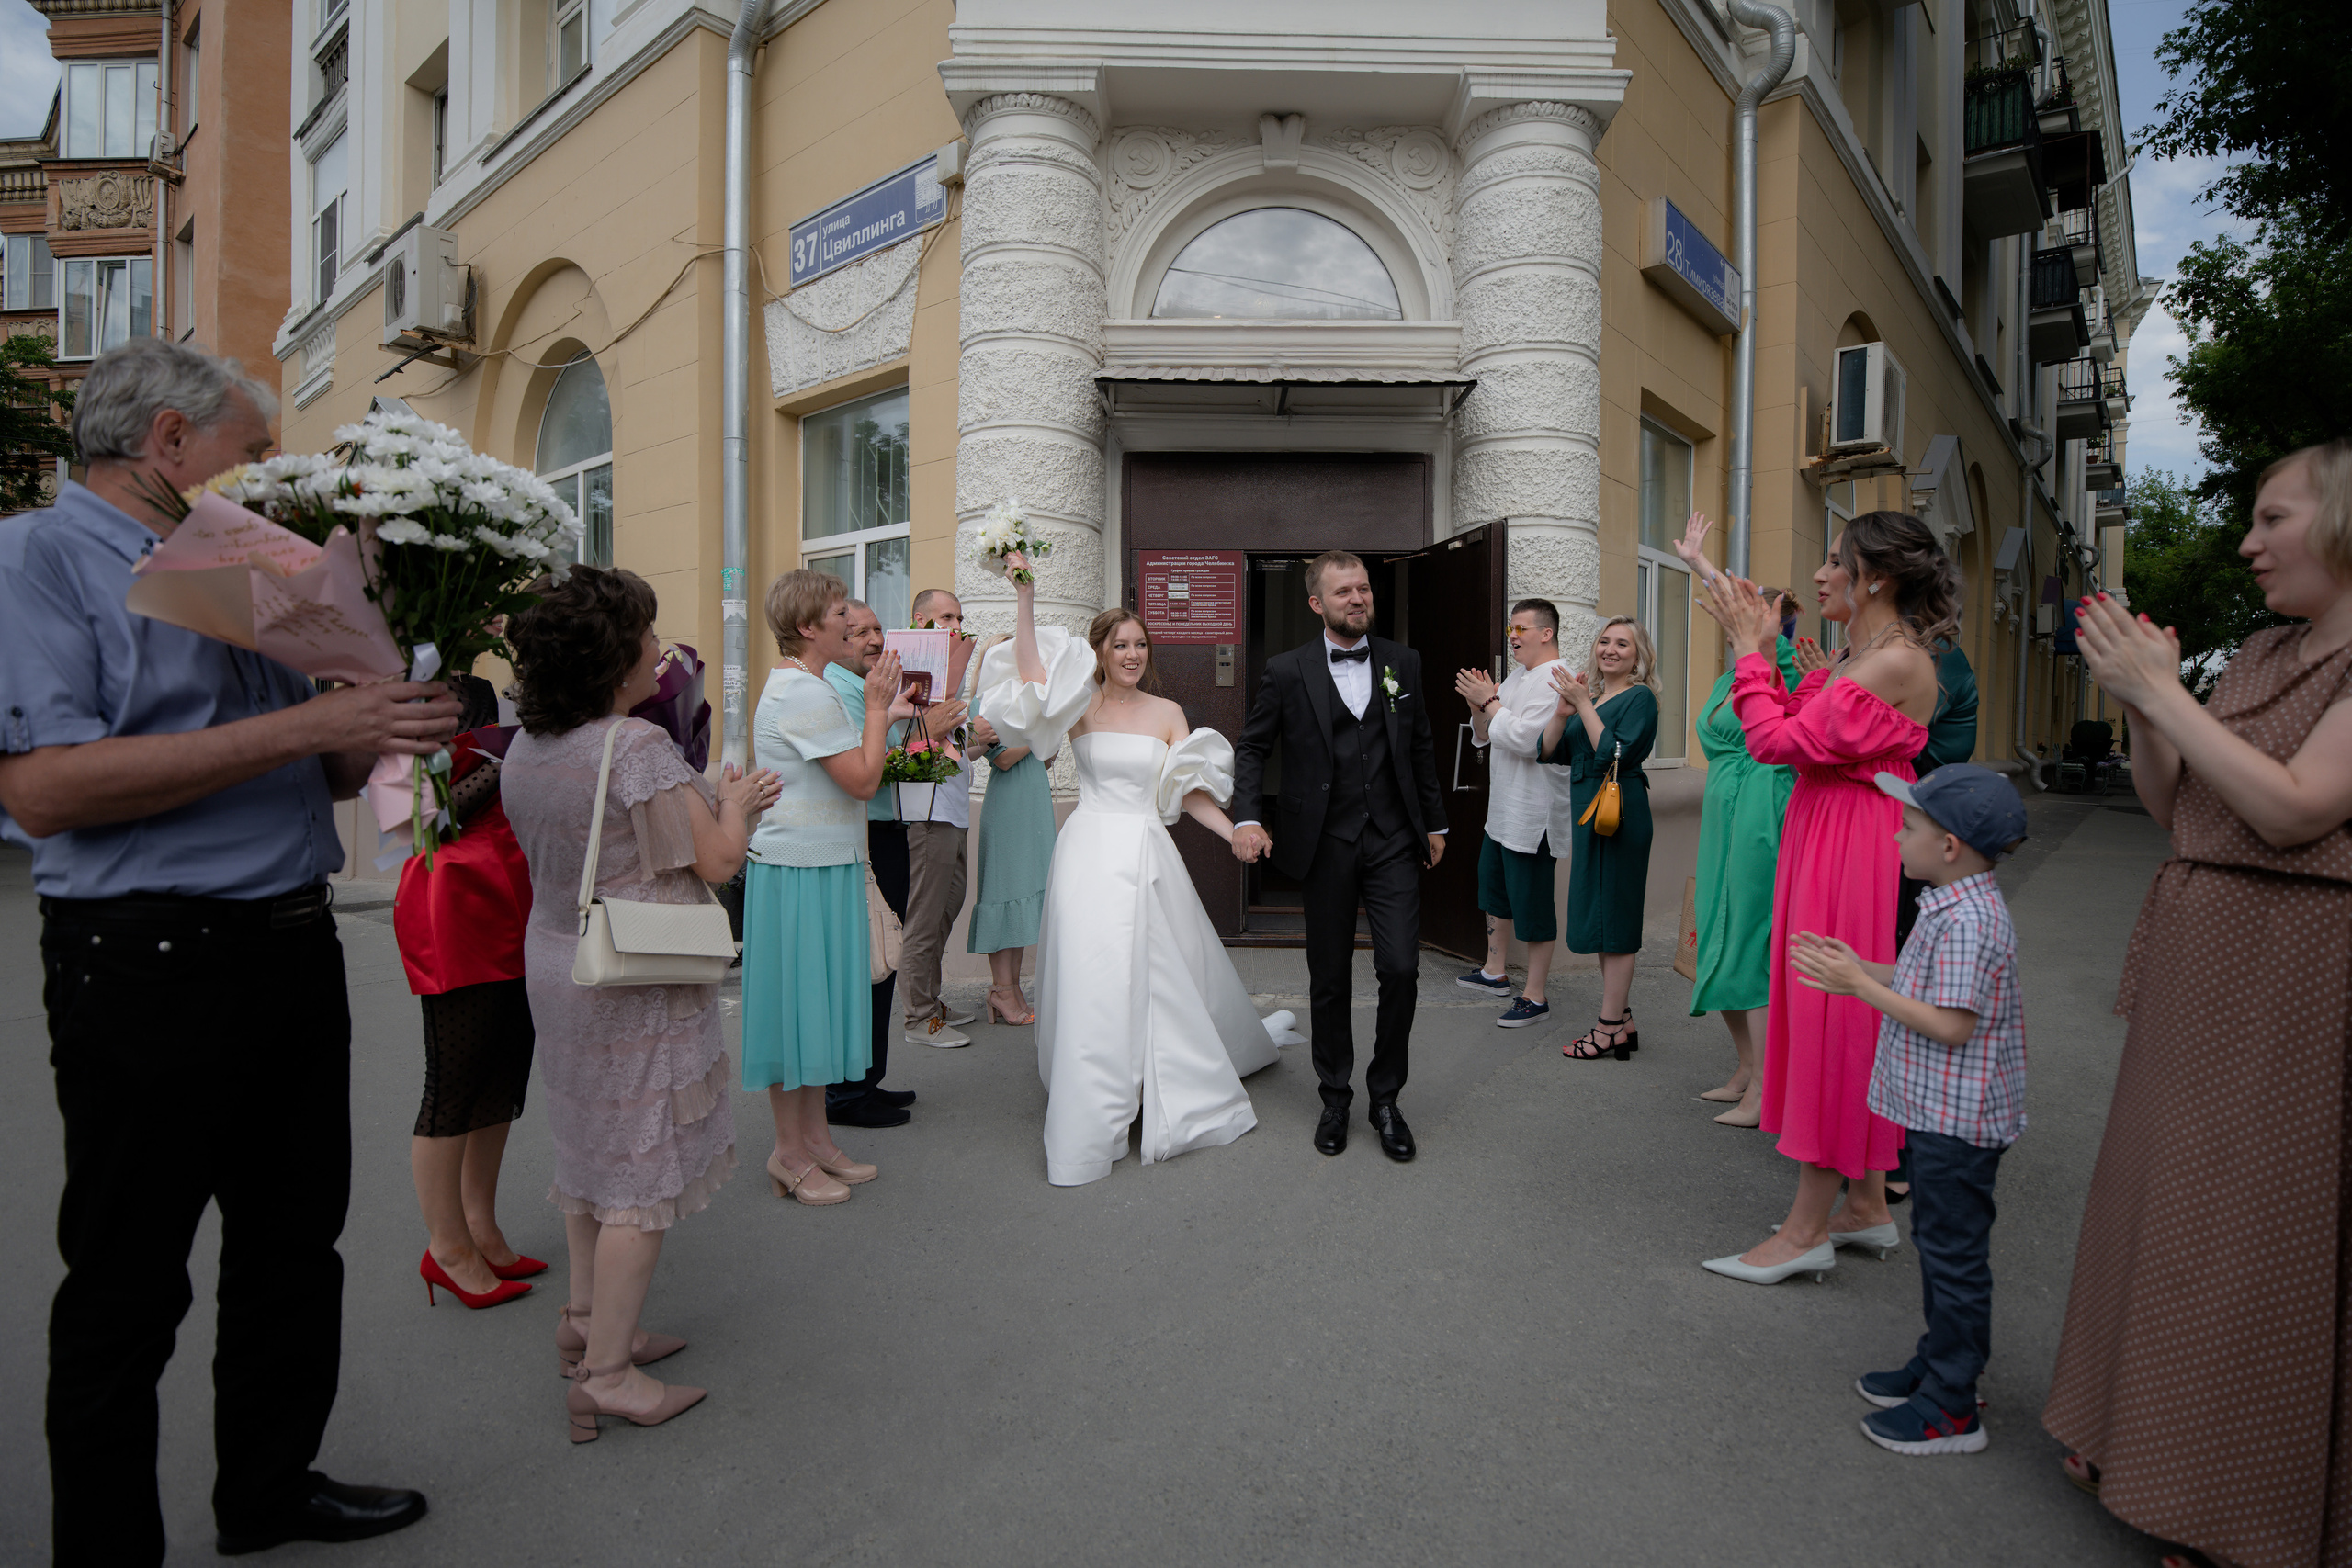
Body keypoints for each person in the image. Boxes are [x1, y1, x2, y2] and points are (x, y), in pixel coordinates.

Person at [0, 338, 443, 1562]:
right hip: (147, 957)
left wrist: (379, 713)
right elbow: (42, 789)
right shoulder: (33, 557)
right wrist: (316, 718)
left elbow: (324, 760)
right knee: (127, 1280)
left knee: (294, 1245)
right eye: (249, 452)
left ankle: (268, 1487)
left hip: (290, 941)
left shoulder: (239, 566)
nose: (262, 476)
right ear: (168, 440)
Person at [2044, 439, 2352, 1568]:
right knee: (2160, 1199)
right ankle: (2128, 1434)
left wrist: (2164, 691)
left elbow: (2292, 810)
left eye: (2273, 519)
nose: (2249, 542)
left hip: (2296, 962)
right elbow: (2176, 806)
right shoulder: (2263, 651)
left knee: (2248, 1231)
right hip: (2202, 942)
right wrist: (2140, 708)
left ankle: (2230, 1505)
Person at [501, 566, 776, 1439]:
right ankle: (608, 1375)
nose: (660, 653)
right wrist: (735, 804)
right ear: (613, 656)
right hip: (632, 974)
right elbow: (717, 862)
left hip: (557, 958)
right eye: (648, 638)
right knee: (639, 1171)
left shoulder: (528, 744)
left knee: (592, 1155)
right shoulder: (634, 748)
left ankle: (585, 1324)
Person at [1693, 511, 1951, 1286]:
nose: (1819, 573)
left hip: (1847, 843)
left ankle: (1805, 1228)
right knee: (1830, 1010)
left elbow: (1774, 741)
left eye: (1835, 560)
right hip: (1827, 827)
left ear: (1875, 576)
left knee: (1829, 1016)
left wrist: (1747, 652)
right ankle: (1867, 1206)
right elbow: (1786, 717)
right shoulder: (1855, 652)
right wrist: (1752, 635)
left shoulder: (1895, 660)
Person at [979, 551, 1292, 1185]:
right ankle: (1097, 1092)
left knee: (1158, 972)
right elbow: (1035, 675)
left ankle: (1158, 1076)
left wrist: (1235, 831)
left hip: (1147, 850)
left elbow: (1188, 792)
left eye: (1140, 644)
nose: (1131, 653)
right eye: (1120, 644)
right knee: (1098, 975)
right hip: (1090, 852)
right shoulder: (1080, 708)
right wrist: (1026, 595)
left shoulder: (1169, 712)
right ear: (1100, 650)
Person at [1789, 764, 2028, 1457]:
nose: (1896, 837)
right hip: (1936, 1113)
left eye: (1909, 827)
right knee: (1941, 1248)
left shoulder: (1971, 921)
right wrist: (1862, 964)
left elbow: (1951, 1024)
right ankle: (1938, 1361)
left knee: (1954, 1258)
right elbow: (1924, 984)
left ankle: (1954, 1403)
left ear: (1948, 845)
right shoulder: (1951, 901)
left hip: (1959, 1121)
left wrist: (1859, 984)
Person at [1230, 550, 1449, 1161]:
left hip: (1392, 840)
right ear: (1316, 603)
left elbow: (1422, 744)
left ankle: (1385, 1097)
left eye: (1363, 588)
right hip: (1323, 842)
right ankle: (1334, 1094)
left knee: (1400, 967)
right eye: (1343, 591)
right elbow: (1252, 747)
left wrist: (1434, 820)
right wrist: (1247, 814)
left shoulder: (1403, 662)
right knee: (1328, 978)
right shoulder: (1286, 669)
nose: (1357, 597)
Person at [741, 570, 917, 1205]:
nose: (855, 622)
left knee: (811, 1014)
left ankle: (814, 1139)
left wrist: (879, 711)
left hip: (819, 867)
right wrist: (876, 709)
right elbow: (865, 780)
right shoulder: (804, 694)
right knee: (796, 1018)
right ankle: (788, 1153)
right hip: (799, 873)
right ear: (810, 627)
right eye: (842, 611)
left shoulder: (804, 684)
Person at [394, 674, 542, 1309]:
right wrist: (505, 757)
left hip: (511, 888)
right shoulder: (415, 688)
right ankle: (446, 1245)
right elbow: (428, 815)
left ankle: (480, 1224)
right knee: (453, 1078)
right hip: (455, 895)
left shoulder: (483, 684)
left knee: (502, 1073)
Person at [1687, 586, 1803, 1123]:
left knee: (1750, 938)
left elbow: (1786, 732)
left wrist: (1771, 636)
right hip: (1722, 814)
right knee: (1717, 932)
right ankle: (1745, 1066)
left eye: (1753, 613)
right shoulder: (1729, 673)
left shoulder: (1783, 670)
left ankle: (1764, 1087)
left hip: (1761, 809)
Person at [1542, 616, 1661, 1061]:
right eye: (1604, 641)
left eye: (1623, 644)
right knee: (1601, 916)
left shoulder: (1640, 698)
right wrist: (1564, 711)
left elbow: (1616, 752)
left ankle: (1608, 1027)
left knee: (1618, 919)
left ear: (1638, 655)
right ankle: (1622, 1019)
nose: (1610, 650)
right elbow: (1549, 751)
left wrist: (1584, 707)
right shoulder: (1590, 696)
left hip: (1619, 817)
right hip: (1589, 817)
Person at [1453, 599, 1576, 1027]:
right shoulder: (1519, 675)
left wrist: (1490, 703)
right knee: (1496, 894)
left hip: (1533, 814)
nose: (1513, 635)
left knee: (1534, 905)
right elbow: (1485, 738)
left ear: (1547, 633)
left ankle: (1536, 995)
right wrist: (1478, 706)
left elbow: (1531, 743)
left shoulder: (1559, 679)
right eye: (1511, 627)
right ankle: (1494, 972)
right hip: (1502, 810)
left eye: (1522, 628)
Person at [821, 600, 919, 1127]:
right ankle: (844, 1093)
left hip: (883, 828)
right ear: (836, 640)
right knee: (865, 961)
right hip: (859, 833)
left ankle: (867, 1078)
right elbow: (868, 768)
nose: (873, 640)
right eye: (857, 632)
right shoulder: (837, 690)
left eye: (877, 628)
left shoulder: (869, 690)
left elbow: (890, 756)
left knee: (884, 956)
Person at [899, 587, 999, 1048]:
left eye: (958, 618)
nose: (954, 626)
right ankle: (918, 1018)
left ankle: (932, 1001)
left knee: (946, 910)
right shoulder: (909, 680)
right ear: (919, 620)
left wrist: (985, 741)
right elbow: (908, 747)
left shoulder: (944, 683)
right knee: (925, 916)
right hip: (928, 813)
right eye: (944, 618)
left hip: (954, 811)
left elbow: (952, 752)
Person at [966, 632, 1057, 1023]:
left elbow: (1046, 757)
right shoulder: (983, 702)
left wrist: (1042, 740)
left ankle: (1012, 986)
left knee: (1022, 897)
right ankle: (1001, 989)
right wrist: (1041, 735)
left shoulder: (1022, 703)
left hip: (1033, 804)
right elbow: (1002, 759)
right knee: (1003, 895)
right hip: (1008, 807)